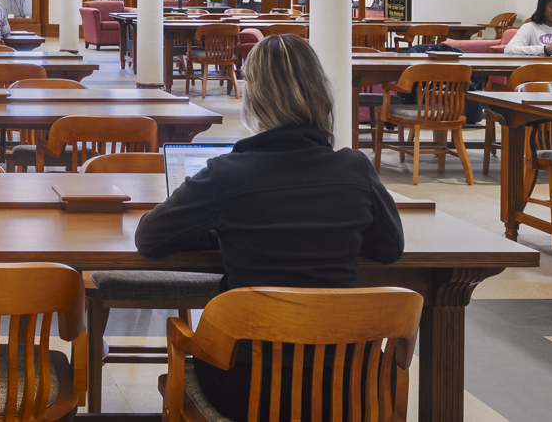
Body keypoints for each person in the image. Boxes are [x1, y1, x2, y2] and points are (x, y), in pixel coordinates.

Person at [135, 34, 403, 419]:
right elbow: (390, 248)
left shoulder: (227, 174)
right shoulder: (355, 169)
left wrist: (225, 229)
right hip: (343, 384)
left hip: (246, 388)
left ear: (254, 97)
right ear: (320, 94)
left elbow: (149, 237)